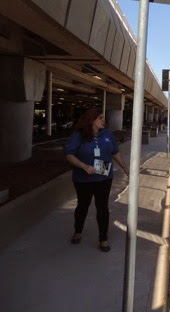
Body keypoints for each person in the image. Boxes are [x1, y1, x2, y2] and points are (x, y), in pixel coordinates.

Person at [64, 108, 130, 252]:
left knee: (102, 207)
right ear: (92, 120)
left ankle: (103, 238)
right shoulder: (79, 135)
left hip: (104, 177)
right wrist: (83, 165)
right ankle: (78, 231)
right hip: (83, 178)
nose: (103, 120)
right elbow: (69, 154)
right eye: (100, 118)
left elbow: (115, 152)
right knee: (83, 206)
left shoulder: (107, 134)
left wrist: (125, 167)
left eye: (103, 117)